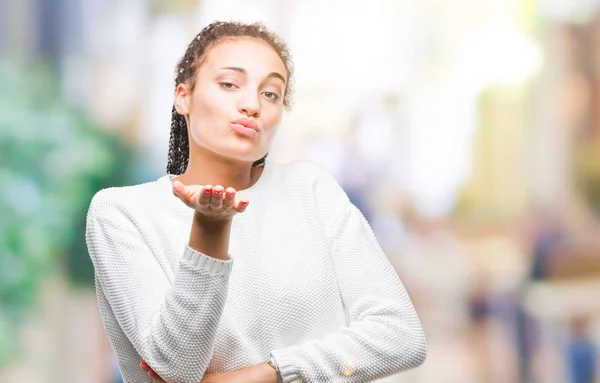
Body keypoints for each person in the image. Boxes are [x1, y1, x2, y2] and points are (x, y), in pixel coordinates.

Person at [85, 21, 427, 383]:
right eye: (230, 84)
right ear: (183, 96)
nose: (252, 105)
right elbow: (176, 367)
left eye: (271, 94)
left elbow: (402, 335)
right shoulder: (121, 214)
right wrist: (210, 231)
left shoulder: (311, 189)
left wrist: (270, 374)